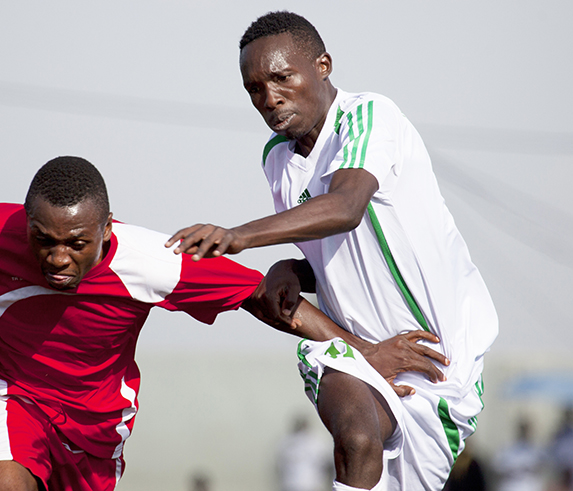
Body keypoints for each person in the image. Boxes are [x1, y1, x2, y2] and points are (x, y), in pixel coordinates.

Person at [0, 156, 444, 491]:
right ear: (26, 224)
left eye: (76, 243)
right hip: (4, 398)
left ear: (105, 228)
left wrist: (359, 350)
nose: (58, 258)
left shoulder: (151, 259)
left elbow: (267, 300)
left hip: (98, 423)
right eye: (43, 240)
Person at [167, 11, 498, 491]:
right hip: (353, 352)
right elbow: (341, 259)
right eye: (254, 89)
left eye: (282, 77)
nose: (269, 97)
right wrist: (290, 269)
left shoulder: (368, 116)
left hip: (437, 363)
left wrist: (238, 236)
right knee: (358, 439)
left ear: (323, 65)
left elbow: (344, 208)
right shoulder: (276, 158)